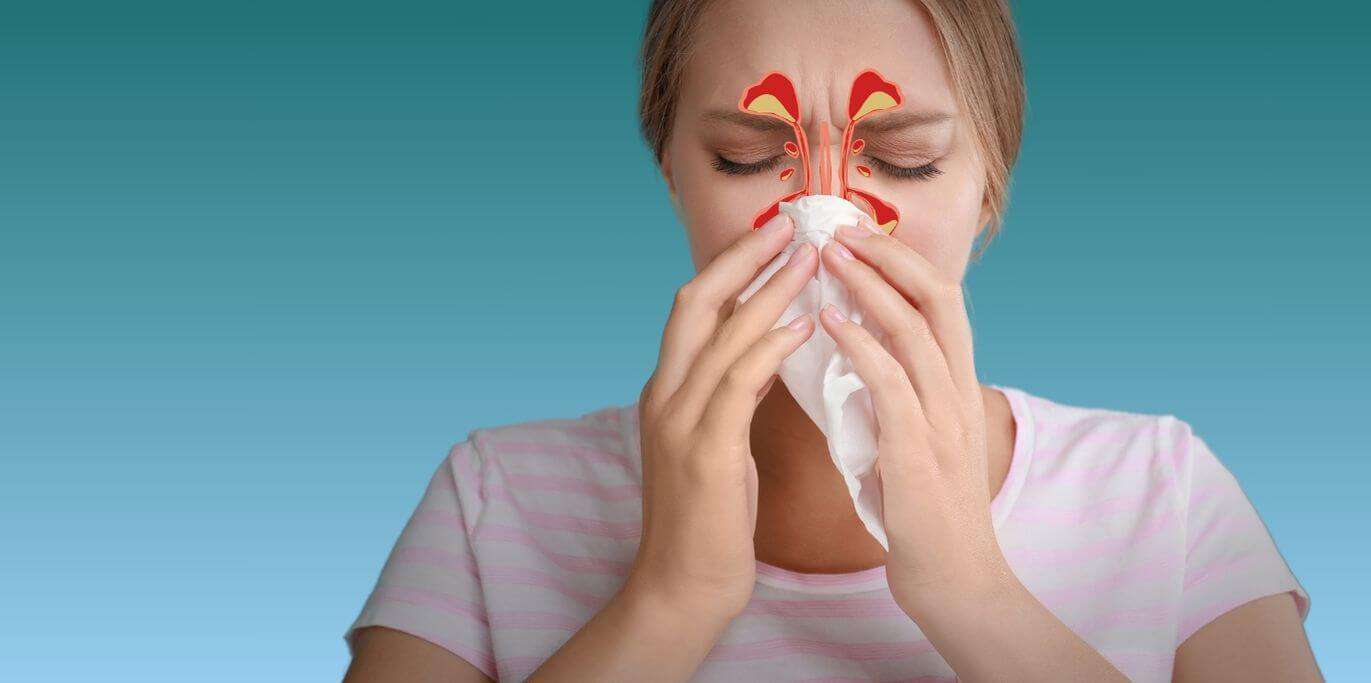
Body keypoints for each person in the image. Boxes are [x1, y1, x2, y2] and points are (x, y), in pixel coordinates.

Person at [344, 0, 1320, 680]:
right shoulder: (494, 500)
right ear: (672, 171)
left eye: (904, 159)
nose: (822, 216)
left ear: (988, 186)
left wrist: (974, 595)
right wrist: (671, 596)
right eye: (747, 157)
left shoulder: (1161, 490)